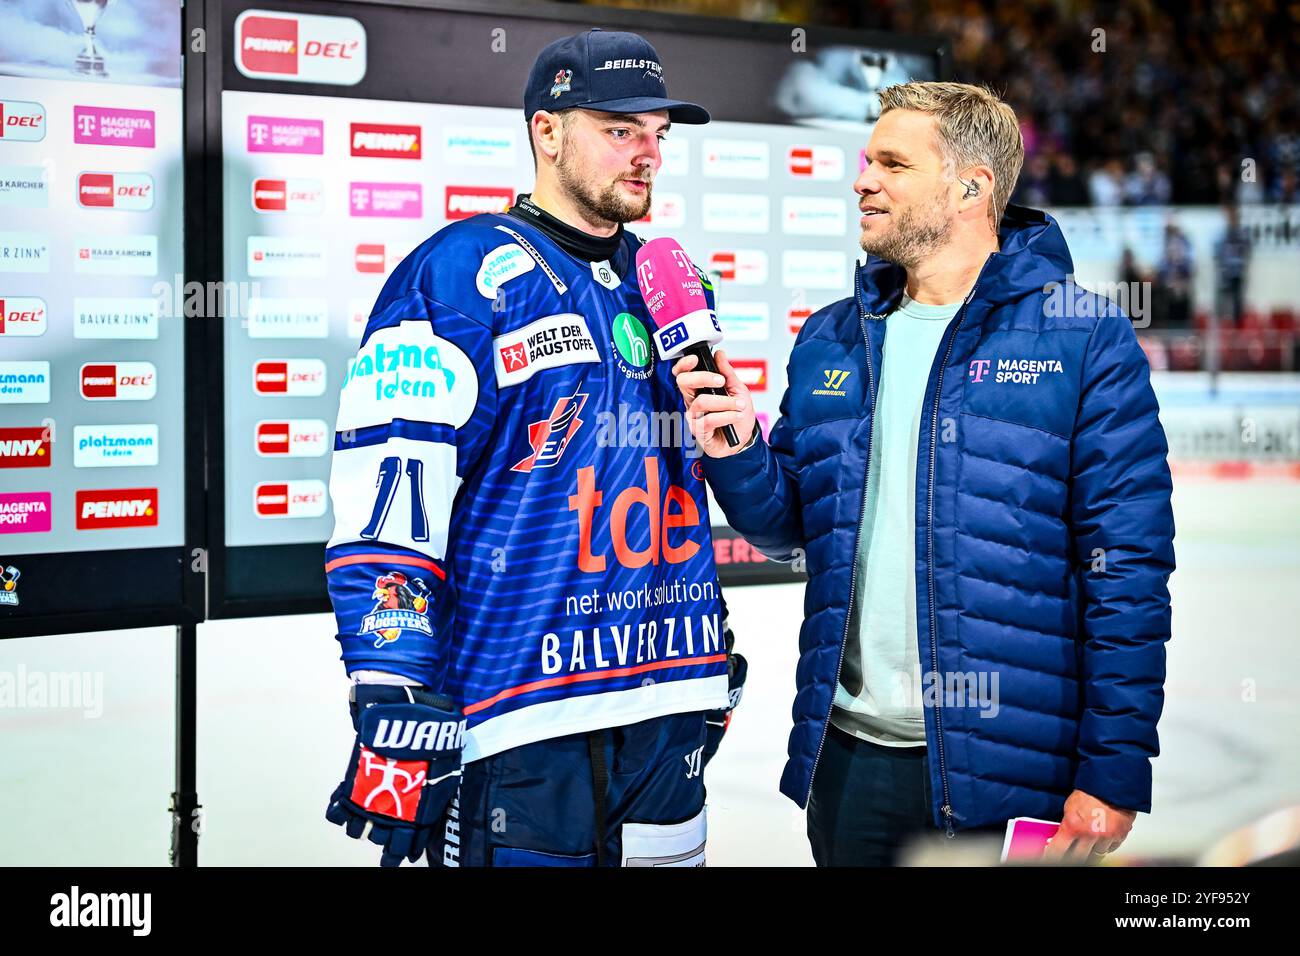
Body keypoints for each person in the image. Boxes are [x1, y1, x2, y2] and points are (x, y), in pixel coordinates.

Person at [674, 81, 1175, 866]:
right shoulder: (835, 336)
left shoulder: (1086, 338)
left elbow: (1129, 574)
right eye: (869, 159)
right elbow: (788, 528)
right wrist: (736, 447)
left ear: (970, 187)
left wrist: (1114, 774)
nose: (862, 179)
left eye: (893, 164)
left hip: (1010, 780)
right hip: (847, 768)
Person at [322, 28, 743, 867]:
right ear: (546, 131)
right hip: (520, 721)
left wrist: (713, 639)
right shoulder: (458, 273)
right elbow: (392, 492)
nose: (647, 154)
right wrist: (392, 680)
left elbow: (680, 481)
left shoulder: (673, 280)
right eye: (620, 129)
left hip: (668, 712)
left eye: (658, 134)